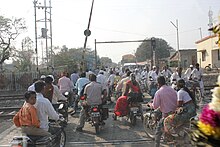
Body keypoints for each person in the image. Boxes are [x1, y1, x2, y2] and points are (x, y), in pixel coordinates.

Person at [149, 76, 178, 147]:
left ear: (158, 83)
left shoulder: (159, 92)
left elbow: (155, 106)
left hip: (167, 116)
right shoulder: (172, 90)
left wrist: (150, 105)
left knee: (158, 133)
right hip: (175, 113)